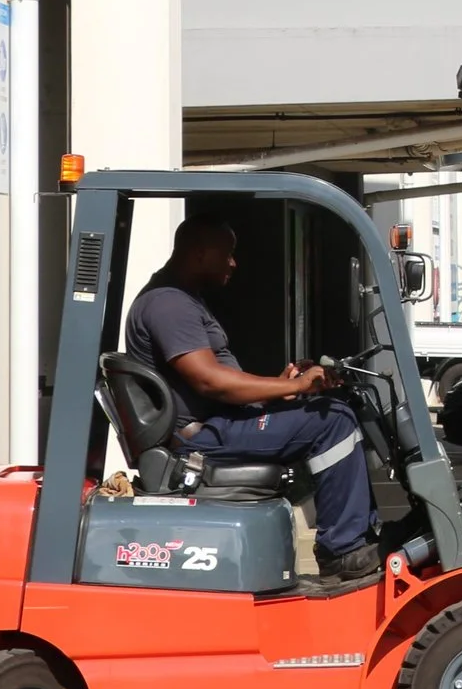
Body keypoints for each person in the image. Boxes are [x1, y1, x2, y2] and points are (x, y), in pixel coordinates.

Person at [125, 216, 384, 576]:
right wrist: (296, 386)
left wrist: (278, 387)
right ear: (199, 253)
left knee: (328, 410)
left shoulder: (182, 299)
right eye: (227, 254)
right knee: (334, 422)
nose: (234, 263)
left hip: (216, 424)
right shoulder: (168, 304)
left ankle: (357, 533)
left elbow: (222, 378)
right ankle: (343, 548)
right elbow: (210, 382)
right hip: (202, 439)